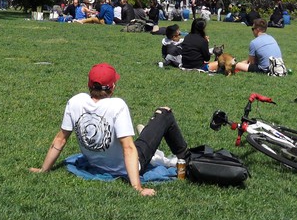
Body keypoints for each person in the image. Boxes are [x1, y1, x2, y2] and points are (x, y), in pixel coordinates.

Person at [30, 63, 190, 195]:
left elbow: (60, 139)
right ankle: (185, 158)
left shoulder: (75, 101)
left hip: (96, 162)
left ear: (89, 85)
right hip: (129, 164)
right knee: (164, 113)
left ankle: (149, 136)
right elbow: (128, 149)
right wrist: (138, 188)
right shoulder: (117, 106)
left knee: (143, 139)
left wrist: (44, 170)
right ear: (112, 87)